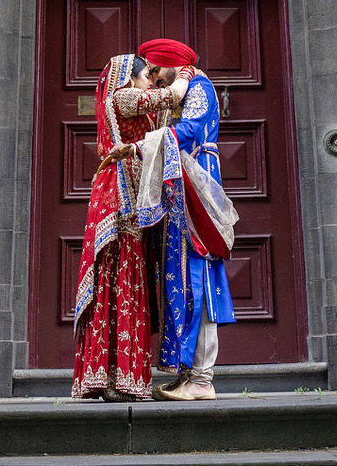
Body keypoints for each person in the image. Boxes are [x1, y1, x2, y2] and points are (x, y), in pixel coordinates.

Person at [71, 52, 193, 401]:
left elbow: (163, 125)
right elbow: (169, 97)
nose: (152, 82)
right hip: (119, 200)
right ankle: (108, 377)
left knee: (127, 280)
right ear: (129, 78)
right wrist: (185, 73)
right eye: (147, 77)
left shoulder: (138, 106)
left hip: (132, 203)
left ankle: (114, 378)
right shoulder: (122, 97)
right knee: (119, 277)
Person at [138, 38, 237, 401]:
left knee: (198, 276)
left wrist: (143, 145)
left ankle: (201, 378)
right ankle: (188, 374)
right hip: (179, 190)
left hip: (196, 187)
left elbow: (193, 128)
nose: (153, 78)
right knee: (181, 276)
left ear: (170, 64)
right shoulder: (175, 94)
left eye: (155, 69)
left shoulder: (198, 86)